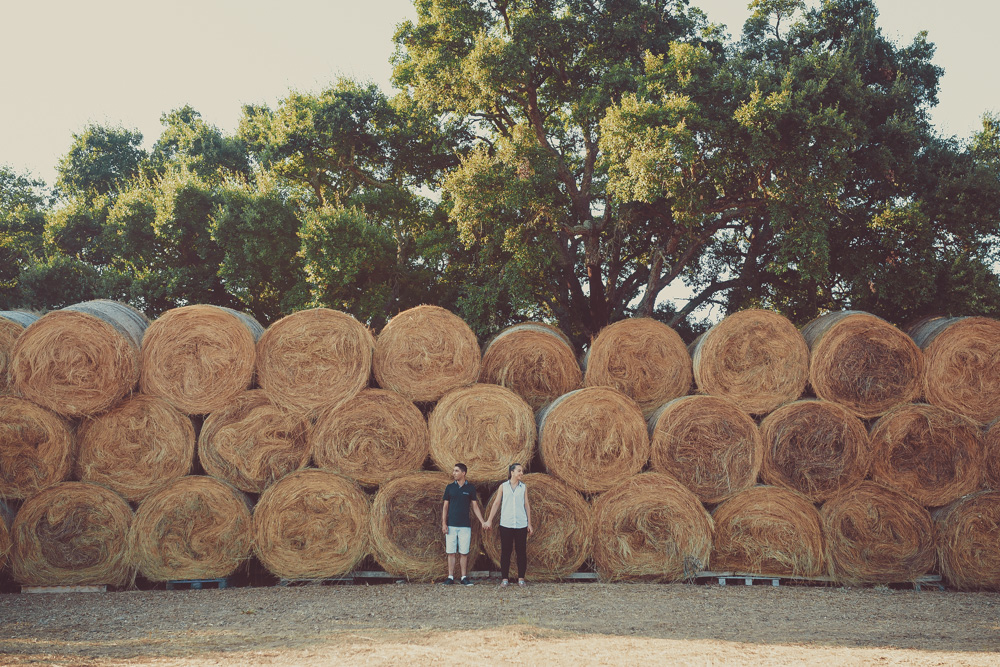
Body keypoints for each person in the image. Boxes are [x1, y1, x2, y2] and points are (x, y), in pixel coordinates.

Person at [484, 463, 533, 587]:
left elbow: (526, 505)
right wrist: (489, 520)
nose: (521, 473)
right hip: (506, 523)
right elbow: (496, 504)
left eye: (522, 471)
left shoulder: (523, 487)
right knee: (506, 551)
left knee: (521, 551)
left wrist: (529, 523)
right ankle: (504, 579)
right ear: (512, 472)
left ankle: (521, 578)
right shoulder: (503, 487)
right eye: (519, 471)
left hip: (521, 524)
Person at [441, 462, 486, 586]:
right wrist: (444, 523)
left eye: (456, 471)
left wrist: (482, 521)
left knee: (464, 552)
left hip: (465, 526)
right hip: (451, 525)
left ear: (463, 473)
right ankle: (450, 577)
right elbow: (445, 507)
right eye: (454, 471)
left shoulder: (470, 488)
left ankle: (463, 577)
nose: (454, 473)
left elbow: (475, 506)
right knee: (451, 552)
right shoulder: (449, 487)